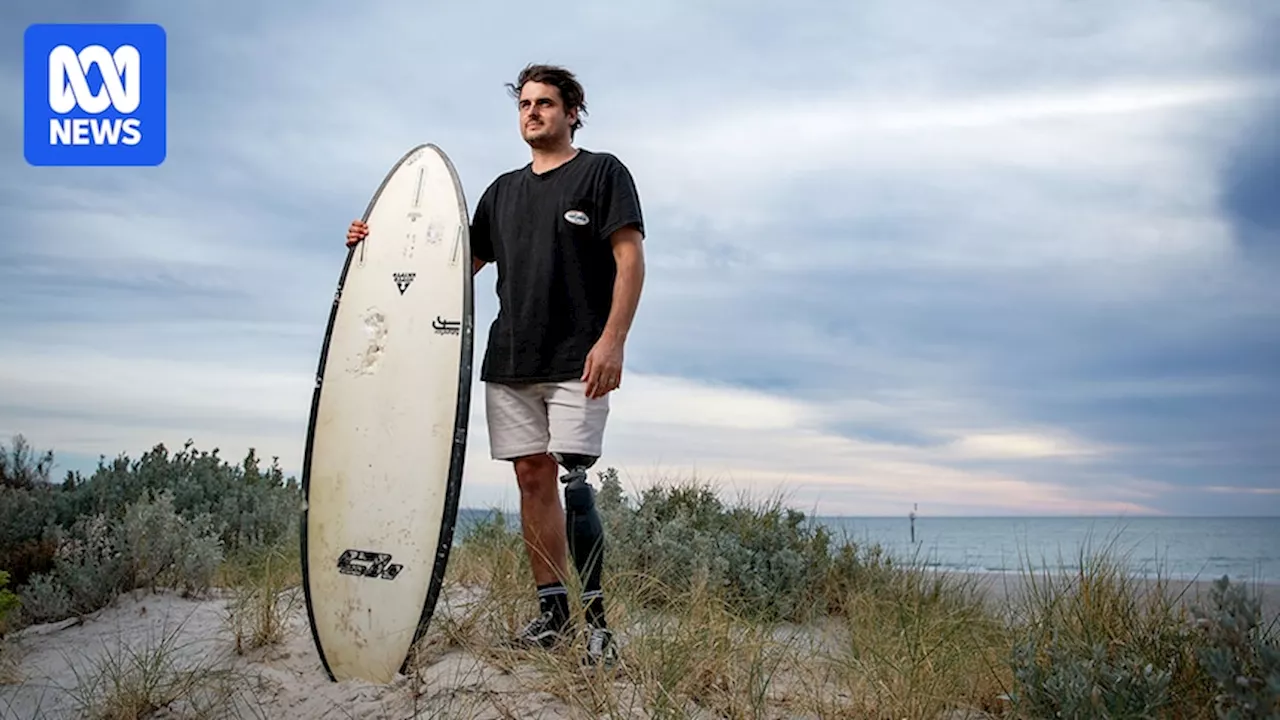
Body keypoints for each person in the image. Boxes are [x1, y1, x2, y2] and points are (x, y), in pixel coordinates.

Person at [345, 63, 645, 667]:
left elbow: (630, 259)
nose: (533, 113)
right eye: (525, 104)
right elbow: (451, 266)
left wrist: (612, 341)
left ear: (571, 113)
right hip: (509, 358)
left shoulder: (601, 172)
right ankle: (555, 616)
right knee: (530, 479)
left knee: (576, 480)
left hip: (576, 355)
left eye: (546, 104)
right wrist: (372, 246)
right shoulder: (501, 192)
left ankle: (601, 628)